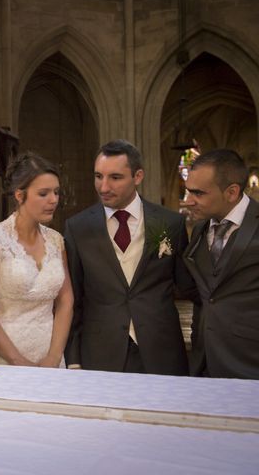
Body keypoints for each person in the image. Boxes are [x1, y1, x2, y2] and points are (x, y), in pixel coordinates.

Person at [64, 139, 194, 375]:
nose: (103, 187)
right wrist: (73, 358)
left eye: (115, 177)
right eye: (98, 176)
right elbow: (73, 299)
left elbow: (186, 286)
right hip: (100, 352)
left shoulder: (169, 223)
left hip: (161, 350)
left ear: (138, 176)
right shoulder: (77, 227)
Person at [0, 153, 73, 367]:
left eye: (55, 192)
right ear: (19, 195)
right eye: (43, 193)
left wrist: (54, 356)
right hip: (2, 359)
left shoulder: (56, 241)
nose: (53, 200)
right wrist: (17, 361)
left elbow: (65, 300)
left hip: (49, 359)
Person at [182, 148, 259, 379]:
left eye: (198, 193)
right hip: (204, 361)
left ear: (232, 192)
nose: (188, 202)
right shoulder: (199, 231)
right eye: (188, 192)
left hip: (251, 361)